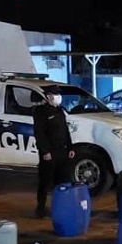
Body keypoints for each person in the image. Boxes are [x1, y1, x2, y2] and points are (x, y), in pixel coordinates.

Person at [32, 85, 75, 218]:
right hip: (49, 153)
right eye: (55, 94)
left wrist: (70, 147)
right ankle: (40, 208)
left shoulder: (59, 110)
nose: (58, 97)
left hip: (62, 151)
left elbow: (65, 131)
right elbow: (39, 133)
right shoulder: (41, 111)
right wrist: (45, 151)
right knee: (45, 181)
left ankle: (60, 206)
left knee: (62, 181)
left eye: (58, 94)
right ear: (48, 96)